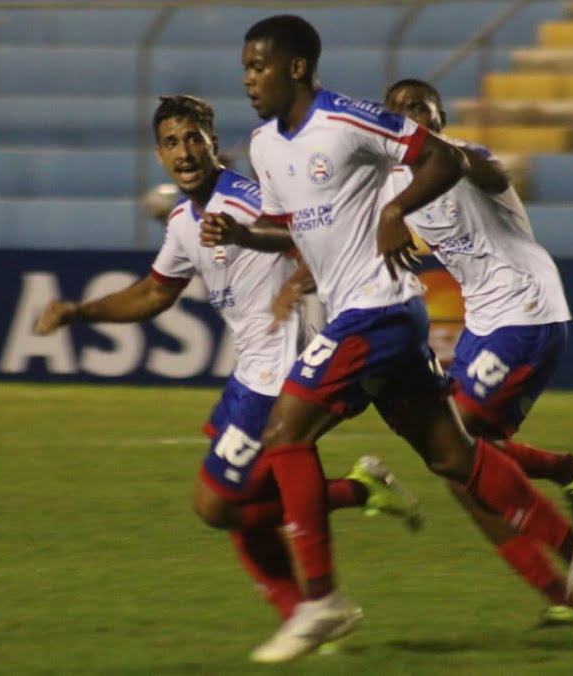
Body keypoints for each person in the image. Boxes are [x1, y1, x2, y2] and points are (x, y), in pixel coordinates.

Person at [201, 15, 573, 661]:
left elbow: (447, 157)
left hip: (383, 313)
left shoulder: (345, 121)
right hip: (370, 314)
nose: (248, 78)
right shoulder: (263, 147)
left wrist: (394, 212)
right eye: (245, 67)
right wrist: (242, 236)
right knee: (455, 457)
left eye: (258, 66)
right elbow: (297, 229)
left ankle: (322, 600)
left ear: (297, 68)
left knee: (286, 434)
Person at [32, 94, 421, 657]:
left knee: (218, 506)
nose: (185, 152)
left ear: (214, 142)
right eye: (171, 142)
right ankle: (315, 594)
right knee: (234, 507)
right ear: (158, 153)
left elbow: (314, 230)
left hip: (283, 373)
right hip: (251, 375)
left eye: (194, 139)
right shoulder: (184, 219)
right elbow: (153, 293)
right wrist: (79, 312)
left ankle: (321, 595)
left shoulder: (245, 199)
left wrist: (301, 278)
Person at [381, 78, 573, 625]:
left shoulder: (468, 157)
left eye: (420, 108)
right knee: (458, 467)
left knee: (457, 434)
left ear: (439, 115)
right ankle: (562, 590)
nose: (410, 117)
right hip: (484, 323)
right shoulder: (393, 188)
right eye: (399, 112)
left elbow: (486, 172)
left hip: (527, 309)